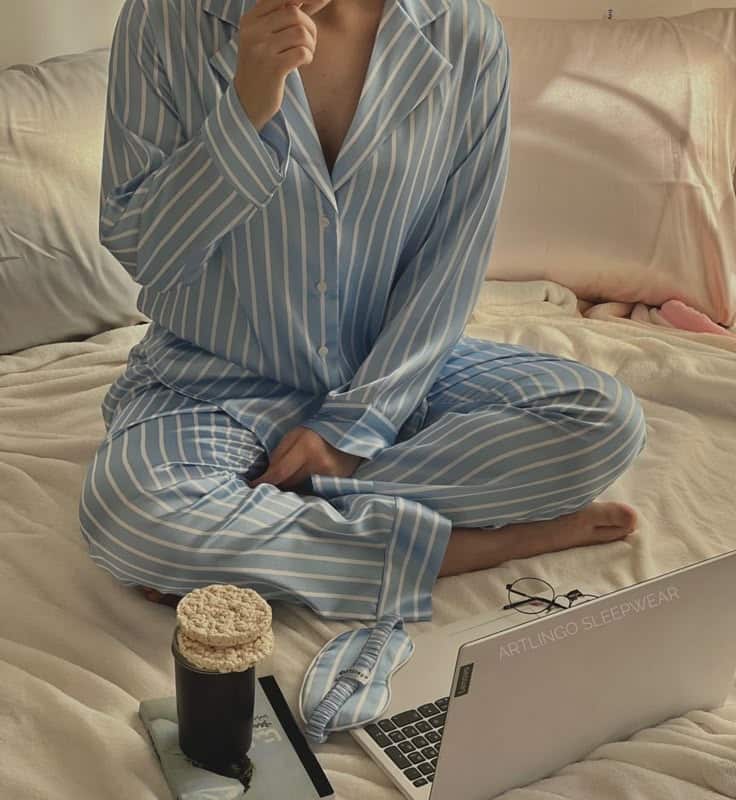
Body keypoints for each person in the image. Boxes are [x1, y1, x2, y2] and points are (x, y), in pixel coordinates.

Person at [79, 0, 647, 623]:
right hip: (210, 384)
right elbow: (145, 253)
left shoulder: (464, 34)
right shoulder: (164, 19)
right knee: (131, 513)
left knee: (603, 420)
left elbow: (449, 264)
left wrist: (354, 429)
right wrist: (243, 113)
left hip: (387, 370)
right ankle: (468, 548)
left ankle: (251, 533)